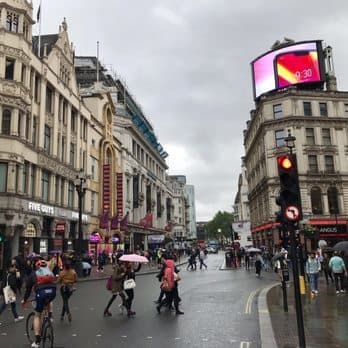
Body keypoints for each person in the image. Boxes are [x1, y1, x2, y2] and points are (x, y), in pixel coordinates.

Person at [22, 259, 57, 348]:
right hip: (52, 292)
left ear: (37, 266)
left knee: (37, 315)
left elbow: (28, 290)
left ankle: (37, 341)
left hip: (41, 293)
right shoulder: (49, 272)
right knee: (48, 300)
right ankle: (49, 316)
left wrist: (25, 300)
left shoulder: (34, 274)